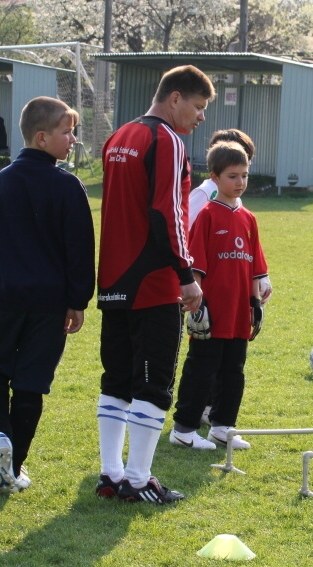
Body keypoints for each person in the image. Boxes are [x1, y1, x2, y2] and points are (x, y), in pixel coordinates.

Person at [95, 65, 215, 504]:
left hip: (113, 279)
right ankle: (139, 478)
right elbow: (169, 213)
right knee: (154, 384)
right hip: (153, 281)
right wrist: (187, 276)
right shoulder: (167, 140)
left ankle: (110, 474)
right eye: (199, 107)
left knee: (116, 380)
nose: (201, 118)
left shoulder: (118, 137)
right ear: (176, 97)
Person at [0, 97, 95, 493]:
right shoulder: (67, 187)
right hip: (49, 305)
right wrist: (78, 301)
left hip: (1, 298)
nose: (73, 139)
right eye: (67, 132)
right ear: (42, 137)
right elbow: (80, 249)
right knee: (31, 382)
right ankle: (14, 465)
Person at [169, 142, 268, 451]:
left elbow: (255, 266)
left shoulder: (248, 218)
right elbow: (195, 268)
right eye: (232, 176)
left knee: (233, 371)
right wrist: (196, 307)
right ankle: (183, 428)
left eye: (244, 175)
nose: (239, 183)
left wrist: (257, 299)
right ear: (215, 176)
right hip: (212, 312)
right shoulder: (209, 215)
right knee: (202, 368)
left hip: (239, 312)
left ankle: (222, 427)